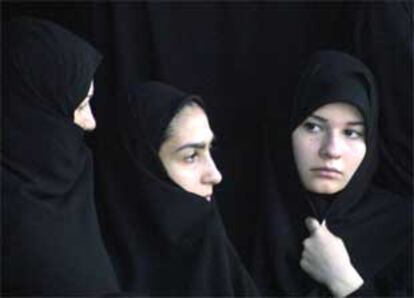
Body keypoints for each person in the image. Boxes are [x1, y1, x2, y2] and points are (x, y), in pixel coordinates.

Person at [248, 50, 412, 296]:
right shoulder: (240, 220)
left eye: (351, 133)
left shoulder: (403, 232)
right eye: (313, 127)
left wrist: (343, 280)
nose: (331, 150)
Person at [94, 81, 259, 296]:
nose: (215, 175)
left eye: (211, 150)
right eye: (191, 156)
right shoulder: (89, 279)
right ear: (141, 168)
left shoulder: (217, 257)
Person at [2, 17, 119, 295]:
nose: (91, 123)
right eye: (81, 106)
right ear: (33, 112)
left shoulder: (70, 186)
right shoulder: (16, 222)